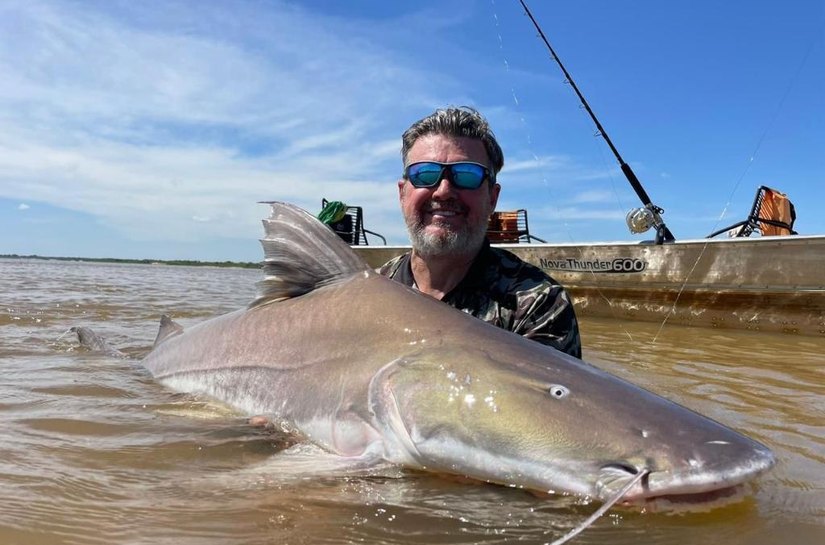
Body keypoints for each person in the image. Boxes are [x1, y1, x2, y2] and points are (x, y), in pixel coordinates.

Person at [379, 106, 582, 358]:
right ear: (402, 193)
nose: (443, 191)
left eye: (467, 175)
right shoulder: (369, 292)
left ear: (492, 198)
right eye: (425, 174)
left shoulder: (537, 304)